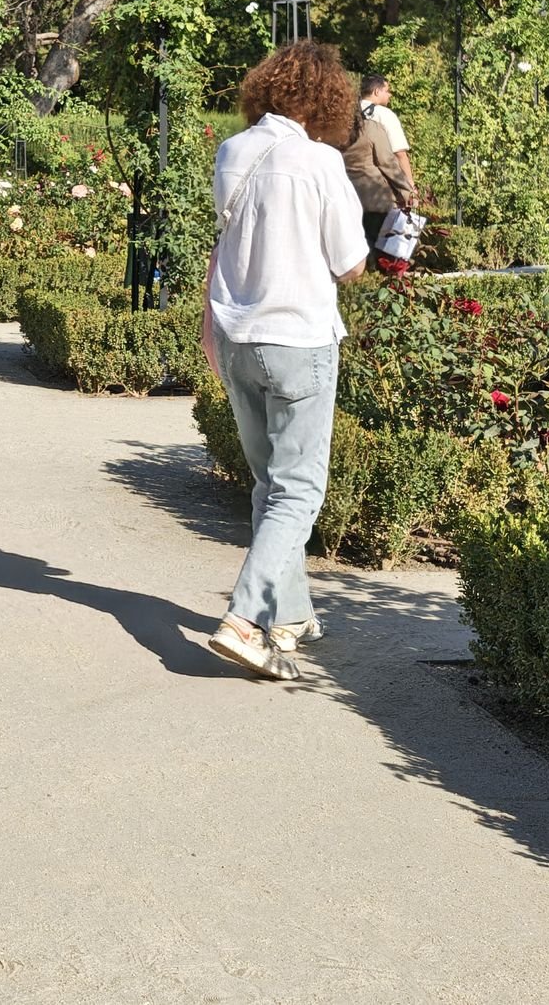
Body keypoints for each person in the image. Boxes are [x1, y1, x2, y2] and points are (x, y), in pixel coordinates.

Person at [200, 41, 368, 681]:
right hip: (297, 339)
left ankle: (289, 614)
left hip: (238, 336)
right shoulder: (319, 161)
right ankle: (244, 621)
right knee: (299, 490)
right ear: (327, 99)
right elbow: (350, 263)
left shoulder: (233, 151)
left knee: (271, 482)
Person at [341, 108, 414, 252]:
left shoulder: (332, 131)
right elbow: (386, 162)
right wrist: (406, 191)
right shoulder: (371, 128)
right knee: (380, 250)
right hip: (374, 197)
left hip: (345, 197)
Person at [359, 75, 418, 204]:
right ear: (376, 92)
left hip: (349, 189)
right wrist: (410, 187)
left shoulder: (347, 113)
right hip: (379, 192)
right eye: (387, 91)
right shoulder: (385, 114)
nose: (390, 95)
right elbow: (399, 154)